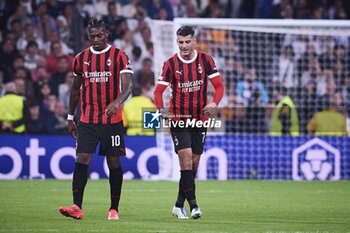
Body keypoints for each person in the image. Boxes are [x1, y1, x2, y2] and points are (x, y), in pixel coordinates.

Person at [58, 18, 133, 220]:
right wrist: (69, 117)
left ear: (106, 34)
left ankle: (114, 208)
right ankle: (76, 206)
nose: (96, 39)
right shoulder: (80, 58)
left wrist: (117, 102)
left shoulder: (119, 56)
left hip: (112, 120)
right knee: (82, 158)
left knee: (113, 161)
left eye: (99, 35)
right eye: (92, 37)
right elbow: (75, 90)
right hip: (87, 119)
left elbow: (127, 87)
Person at [153, 26, 224, 219]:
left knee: (193, 164)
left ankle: (178, 205)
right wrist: (161, 109)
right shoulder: (170, 64)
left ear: (194, 41)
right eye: (180, 42)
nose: (183, 46)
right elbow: (158, 92)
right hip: (178, 119)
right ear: (177, 42)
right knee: (185, 158)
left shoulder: (205, 60)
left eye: (187, 42)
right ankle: (194, 206)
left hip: (200, 120)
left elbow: (219, 86)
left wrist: (214, 102)